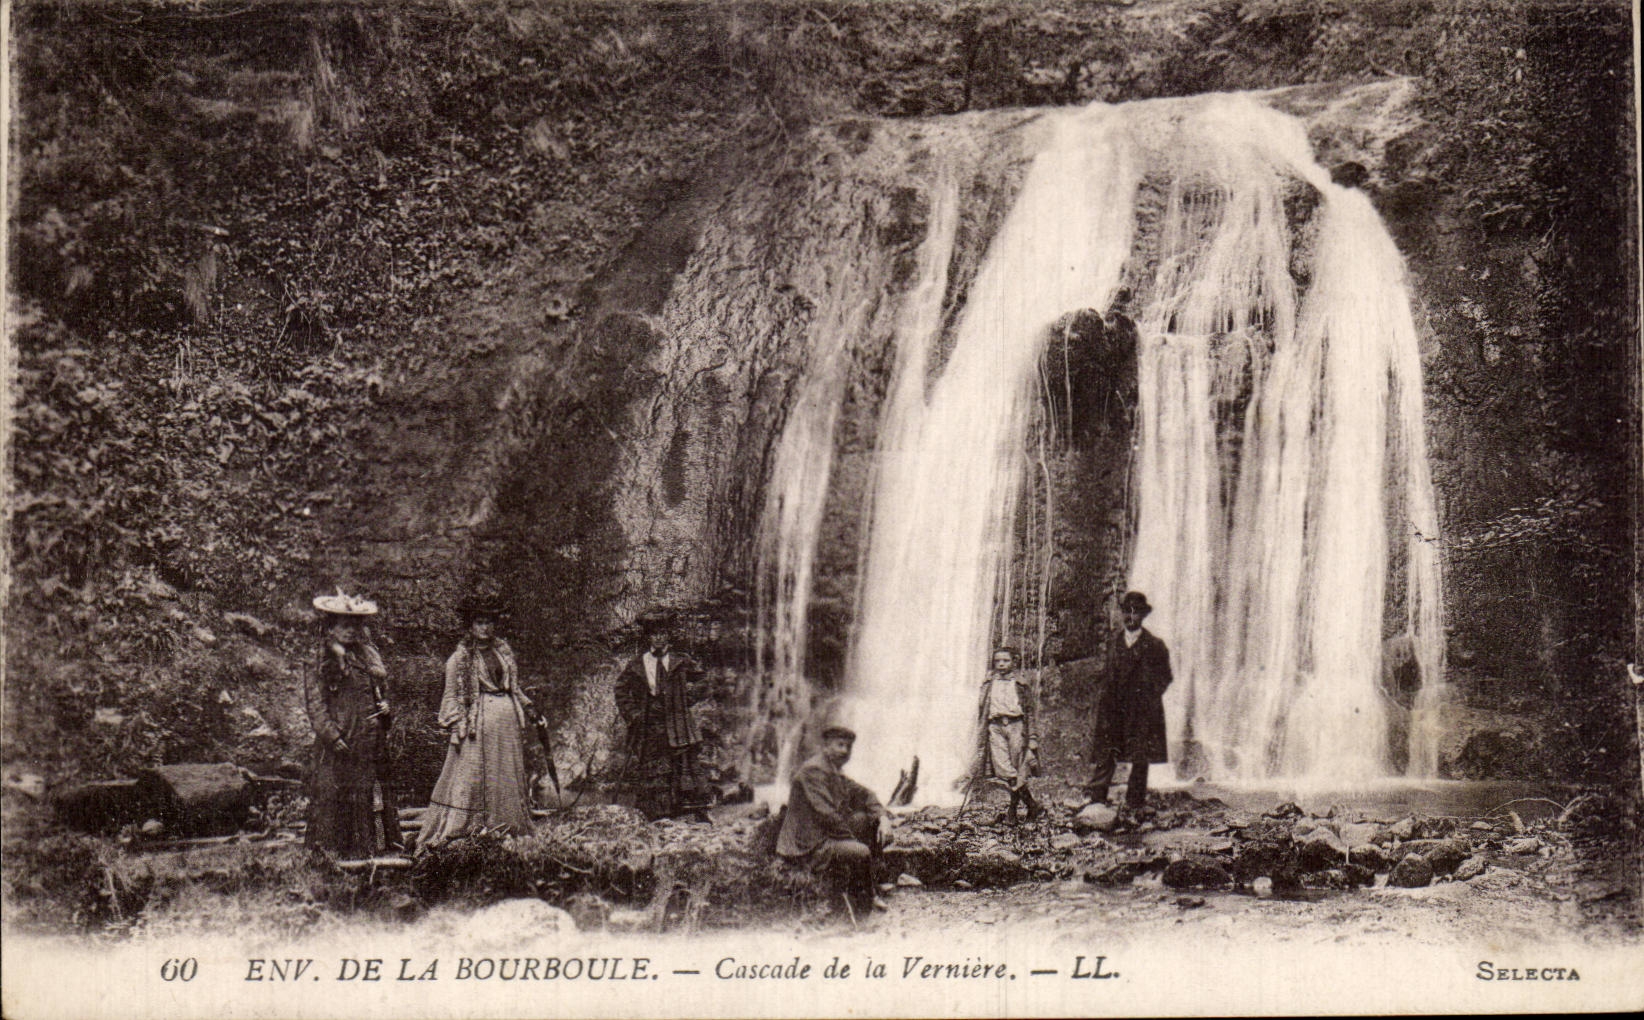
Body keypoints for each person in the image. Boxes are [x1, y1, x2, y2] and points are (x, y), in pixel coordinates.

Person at [418, 594, 539, 849]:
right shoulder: (460, 659)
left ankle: (505, 825)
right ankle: (470, 829)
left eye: (489, 622)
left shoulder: (503, 652)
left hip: (507, 724)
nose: (485, 628)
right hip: (478, 724)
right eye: (480, 623)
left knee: (505, 774)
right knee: (473, 774)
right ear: (470, 626)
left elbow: (513, 688)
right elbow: (450, 696)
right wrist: (457, 726)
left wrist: (531, 709)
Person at [304, 591, 403, 858]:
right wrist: (331, 735)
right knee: (334, 794)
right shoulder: (321, 658)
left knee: (369, 793)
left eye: (354, 626)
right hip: (341, 739)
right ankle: (331, 853)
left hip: (368, 738)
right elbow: (315, 702)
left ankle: (371, 847)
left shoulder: (368, 655)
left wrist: (385, 709)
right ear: (331, 628)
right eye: (344, 626)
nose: (350, 631)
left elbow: (379, 690)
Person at [776, 724, 893, 913]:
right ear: (826, 746)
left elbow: (866, 794)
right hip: (806, 844)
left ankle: (864, 884)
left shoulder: (832, 770)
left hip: (822, 834)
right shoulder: (813, 771)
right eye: (840, 745)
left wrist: (883, 819)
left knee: (867, 819)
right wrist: (856, 843)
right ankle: (864, 900)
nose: (845, 751)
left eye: (848, 747)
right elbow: (827, 815)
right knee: (861, 852)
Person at [615, 616, 708, 819]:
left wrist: (686, 700)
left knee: (682, 763)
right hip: (649, 724)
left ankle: (684, 810)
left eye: (662, 634)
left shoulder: (680, 662)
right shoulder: (638, 664)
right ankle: (653, 814)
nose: (658, 638)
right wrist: (633, 714)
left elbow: (703, 680)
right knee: (652, 767)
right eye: (654, 634)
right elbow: (621, 690)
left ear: (668, 637)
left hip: (676, 723)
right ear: (649, 637)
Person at [1088, 590, 1172, 812]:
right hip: (1114, 707)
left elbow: (1165, 676)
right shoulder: (1112, 642)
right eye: (1126, 612)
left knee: (1140, 755)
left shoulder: (1155, 645)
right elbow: (1104, 673)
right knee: (1107, 751)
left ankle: (1135, 802)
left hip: (1141, 709)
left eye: (1135, 613)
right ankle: (1097, 798)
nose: (1130, 617)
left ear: (1143, 616)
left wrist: (1148, 696)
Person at [975, 646, 1041, 825]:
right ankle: (1031, 804)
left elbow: (1030, 711)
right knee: (1005, 770)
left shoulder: (1020, 683)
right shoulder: (989, 683)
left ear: (1014, 662)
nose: (1001, 664)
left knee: (1016, 766)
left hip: (1016, 725)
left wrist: (1033, 738)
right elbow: (982, 708)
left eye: (1006, 661)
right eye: (998, 661)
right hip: (995, 726)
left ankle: (1013, 810)